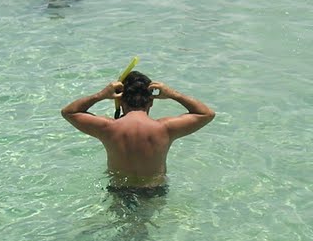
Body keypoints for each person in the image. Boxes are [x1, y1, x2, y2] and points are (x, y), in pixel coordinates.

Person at [60, 70, 215, 191]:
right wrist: (173, 94)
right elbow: (206, 113)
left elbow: (69, 112)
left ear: (119, 101)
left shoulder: (108, 128)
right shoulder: (165, 128)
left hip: (120, 190)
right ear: (151, 102)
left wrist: (101, 95)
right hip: (154, 190)